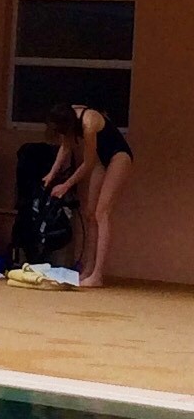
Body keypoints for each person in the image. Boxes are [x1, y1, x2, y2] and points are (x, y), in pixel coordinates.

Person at [43, 104, 133, 288]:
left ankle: (98, 274)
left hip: (119, 157)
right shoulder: (69, 116)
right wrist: (52, 173)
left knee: (102, 213)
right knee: (89, 213)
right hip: (102, 160)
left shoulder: (88, 123)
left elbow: (88, 163)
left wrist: (66, 185)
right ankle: (88, 269)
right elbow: (65, 147)